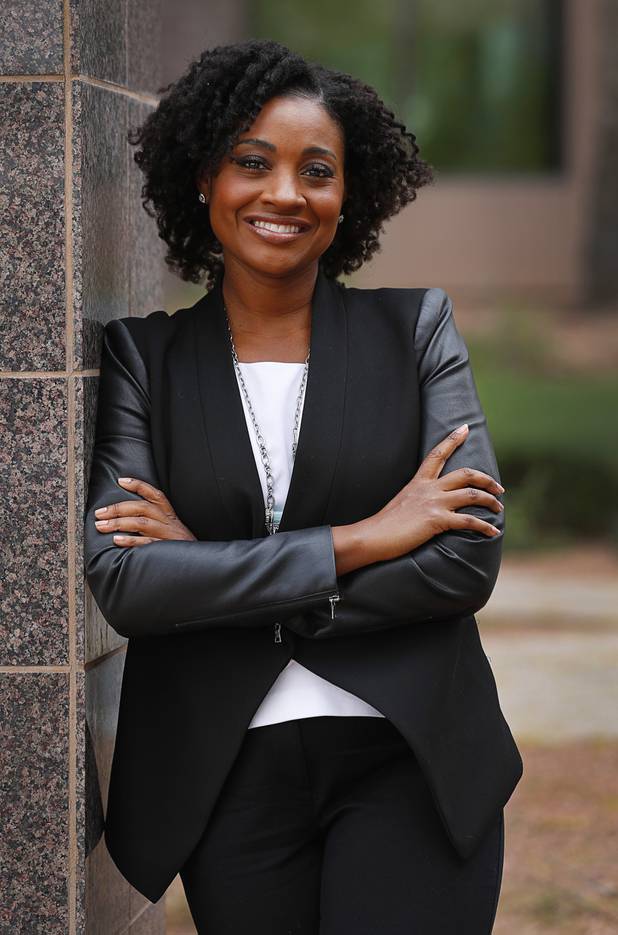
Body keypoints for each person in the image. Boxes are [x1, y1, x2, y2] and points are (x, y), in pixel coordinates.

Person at [84, 38, 523, 934]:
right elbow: (128, 582)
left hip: (409, 753)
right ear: (205, 178)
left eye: (315, 170)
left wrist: (209, 575)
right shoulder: (146, 357)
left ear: (346, 195)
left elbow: (462, 560)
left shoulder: (416, 331)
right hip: (225, 769)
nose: (284, 193)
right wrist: (366, 538)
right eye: (254, 163)